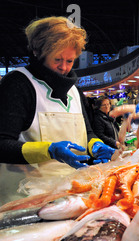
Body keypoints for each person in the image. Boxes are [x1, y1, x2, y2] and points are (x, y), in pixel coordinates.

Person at [0, 16, 115, 177]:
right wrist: (49, 150)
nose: (64, 67)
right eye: (57, 59)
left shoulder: (74, 91)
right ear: (38, 53)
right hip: (28, 193)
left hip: (71, 189)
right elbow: (3, 144)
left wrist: (96, 144)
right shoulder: (18, 84)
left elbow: (87, 133)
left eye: (70, 61)